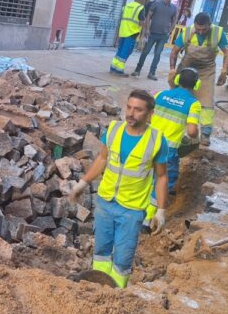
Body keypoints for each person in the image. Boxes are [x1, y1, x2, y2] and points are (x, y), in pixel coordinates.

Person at [69, 90, 169, 288]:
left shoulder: (157, 140)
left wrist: (161, 211)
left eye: (138, 110)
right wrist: (83, 183)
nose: (131, 113)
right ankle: (97, 288)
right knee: (101, 252)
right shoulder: (114, 130)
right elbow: (102, 159)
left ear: (150, 114)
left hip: (131, 209)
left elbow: (162, 176)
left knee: (123, 258)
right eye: (129, 107)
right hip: (105, 202)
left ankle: (116, 294)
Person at [142, 68, 202, 230]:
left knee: (145, 176)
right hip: (168, 151)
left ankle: (136, 209)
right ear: (196, 85)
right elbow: (191, 131)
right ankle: (147, 218)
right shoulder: (193, 104)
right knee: (163, 181)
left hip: (148, 144)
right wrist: (196, 134)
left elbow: (146, 117)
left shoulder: (160, 95)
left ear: (177, 80)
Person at [167, 12, 228, 145]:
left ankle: (205, 133)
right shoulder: (187, 31)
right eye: (198, 29)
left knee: (206, 100)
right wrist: (173, 70)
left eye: (204, 29)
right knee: (178, 97)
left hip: (206, 69)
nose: (201, 32)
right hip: (186, 67)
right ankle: (174, 128)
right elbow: (174, 51)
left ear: (210, 25)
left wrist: (224, 71)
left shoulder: (218, 33)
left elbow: (227, 52)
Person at [133, 0, 178, 80]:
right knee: (145, 52)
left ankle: (152, 73)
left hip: (163, 35)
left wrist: (170, 30)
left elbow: (174, 20)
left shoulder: (174, 8)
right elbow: (149, 16)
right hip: (152, 33)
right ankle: (137, 70)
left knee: (157, 54)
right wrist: (147, 29)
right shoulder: (156, 4)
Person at [110, 0, 148, 76]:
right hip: (131, 33)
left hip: (123, 31)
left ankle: (113, 67)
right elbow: (142, 22)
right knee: (126, 51)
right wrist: (144, 31)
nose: (144, 1)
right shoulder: (140, 8)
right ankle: (119, 70)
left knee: (120, 50)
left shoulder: (127, 6)